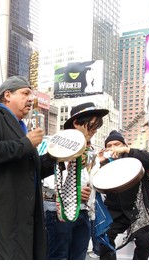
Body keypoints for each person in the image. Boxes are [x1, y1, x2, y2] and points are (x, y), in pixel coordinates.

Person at [0, 76, 57, 259]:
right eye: (25, 93)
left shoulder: (20, 128)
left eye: (31, 94)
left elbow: (30, 171)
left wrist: (56, 157)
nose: (30, 99)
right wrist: (26, 143)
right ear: (7, 95)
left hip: (18, 225)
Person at [45, 102, 108, 260]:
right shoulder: (55, 144)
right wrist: (73, 192)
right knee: (58, 258)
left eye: (96, 127)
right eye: (91, 125)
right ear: (76, 122)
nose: (93, 131)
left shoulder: (91, 151)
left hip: (84, 212)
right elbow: (46, 179)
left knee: (78, 258)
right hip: (58, 212)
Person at [98, 130, 149, 260]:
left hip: (141, 209)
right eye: (109, 145)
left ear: (124, 145)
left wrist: (128, 150)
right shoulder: (105, 163)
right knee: (103, 239)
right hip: (116, 211)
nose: (113, 147)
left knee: (144, 242)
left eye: (117, 144)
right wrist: (99, 162)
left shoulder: (135, 157)